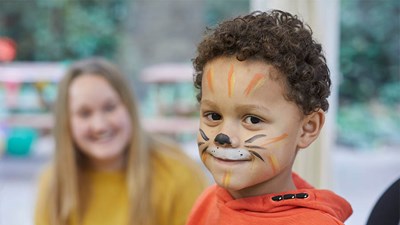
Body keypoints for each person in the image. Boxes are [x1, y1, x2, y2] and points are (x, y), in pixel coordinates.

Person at [186, 10, 353, 225]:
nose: (223, 136)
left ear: (307, 128)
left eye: (253, 119)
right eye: (213, 115)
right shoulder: (209, 200)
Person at [34, 58, 208, 225]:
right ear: (67, 123)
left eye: (110, 107)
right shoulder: (54, 184)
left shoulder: (178, 175)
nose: (100, 125)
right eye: (84, 113)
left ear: (129, 107)